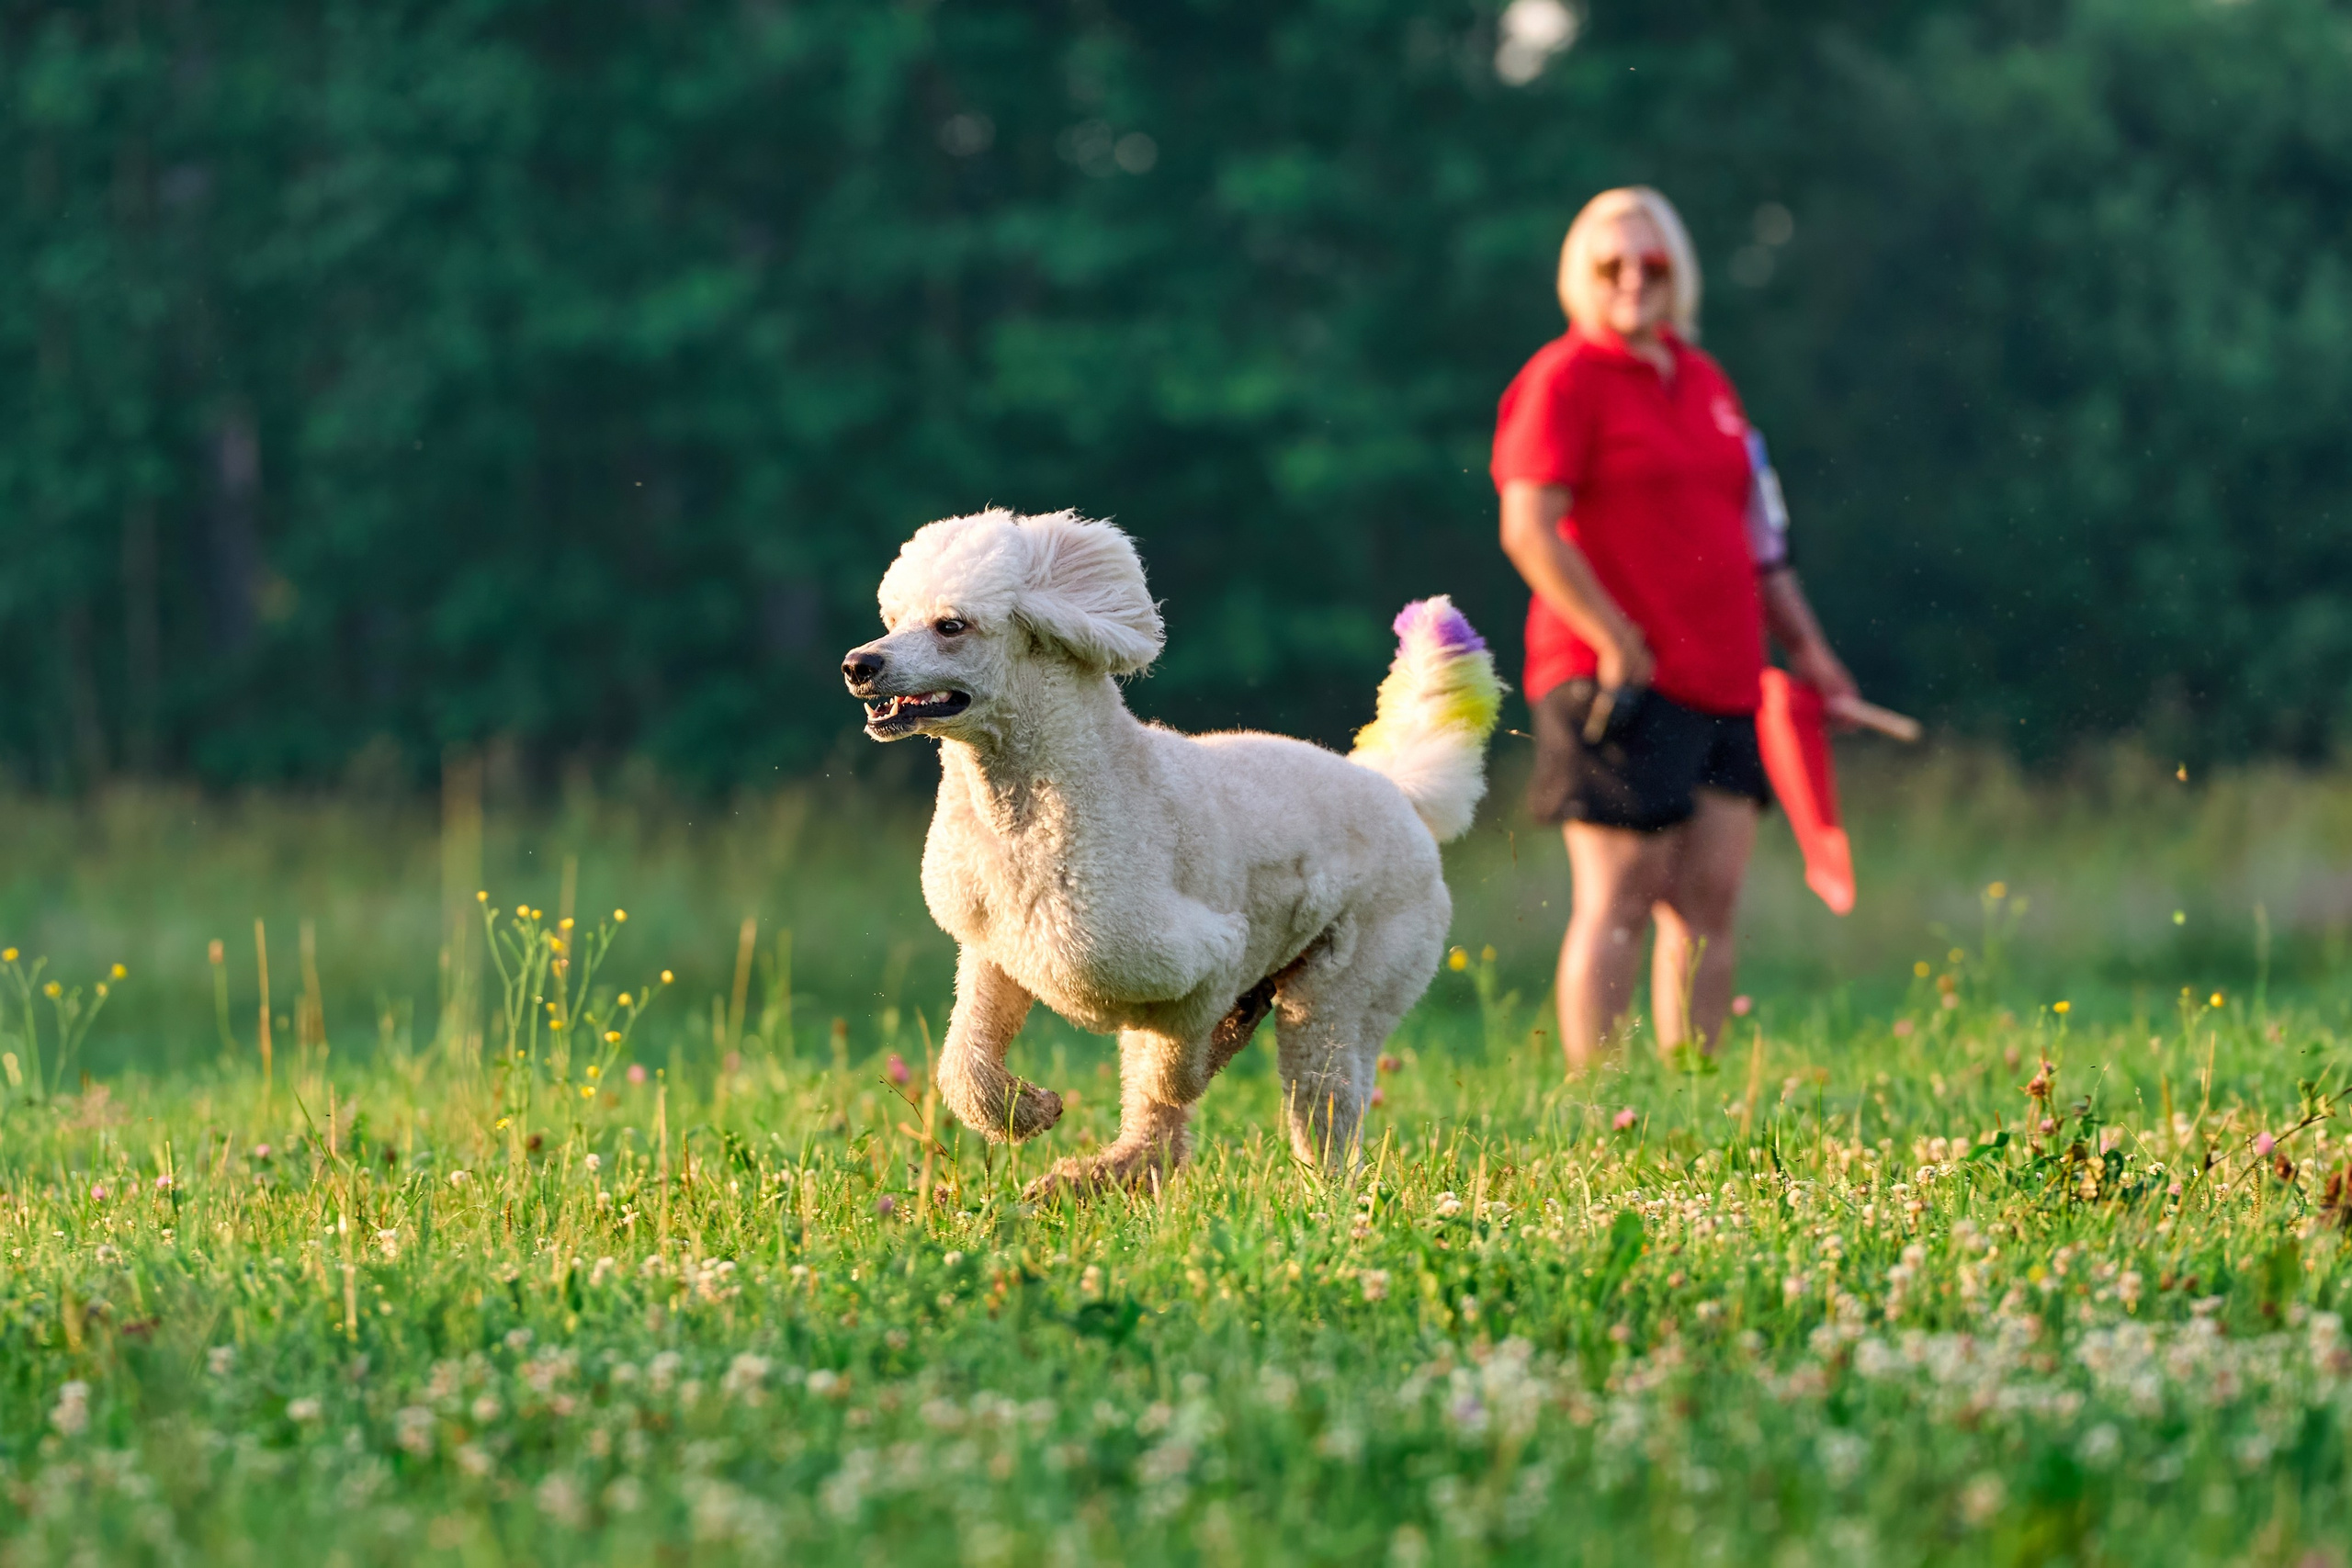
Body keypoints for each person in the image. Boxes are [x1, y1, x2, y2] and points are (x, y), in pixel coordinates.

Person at [1491, 186, 1861, 1069]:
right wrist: (1614, 639)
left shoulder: (1706, 381)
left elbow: (1759, 540)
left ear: (1677, 274)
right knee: (1621, 897)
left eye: (1651, 263)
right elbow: (1528, 527)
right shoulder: (1563, 378)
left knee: (1709, 903)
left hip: (1726, 677)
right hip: (1616, 679)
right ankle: (1601, 1101)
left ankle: (1689, 1091)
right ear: (1579, 274)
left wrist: (1810, 652)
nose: (1632, 279)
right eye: (1610, 263)